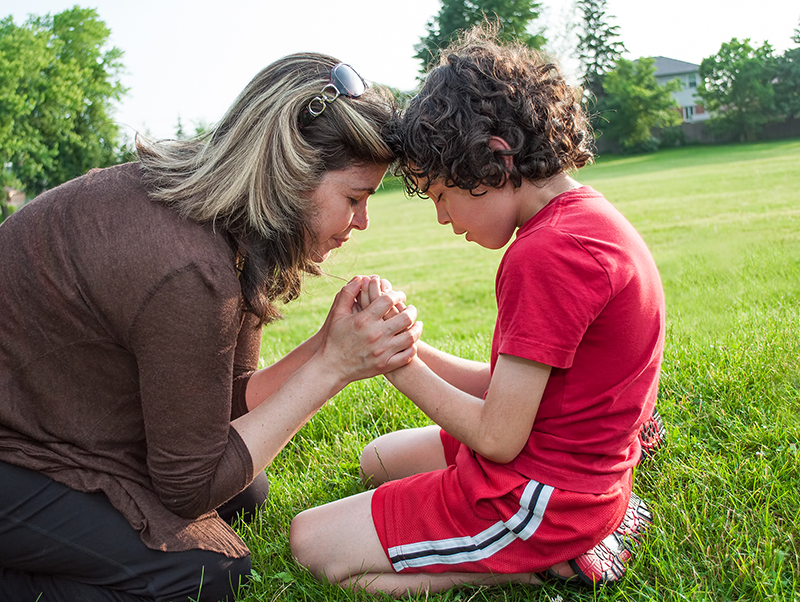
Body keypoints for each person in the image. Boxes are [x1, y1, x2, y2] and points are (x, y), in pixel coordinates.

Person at [0, 54, 421, 601]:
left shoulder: (226, 224)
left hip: (55, 419)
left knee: (245, 488)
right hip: (16, 452)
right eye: (354, 198)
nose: (362, 222)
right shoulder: (188, 267)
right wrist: (334, 370)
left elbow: (227, 402)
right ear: (292, 175)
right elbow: (190, 489)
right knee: (206, 575)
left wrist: (325, 346)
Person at [290, 27, 666, 596]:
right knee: (377, 459)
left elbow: (497, 437)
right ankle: (568, 538)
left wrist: (396, 367)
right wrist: (407, 345)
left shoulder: (547, 255)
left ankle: (550, 561)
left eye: (441, 196)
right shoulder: (583, 220)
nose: (443, 218)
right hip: (562, 464)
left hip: (542, 498)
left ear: (494, 158)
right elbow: (511, 388)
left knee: (311, 544)